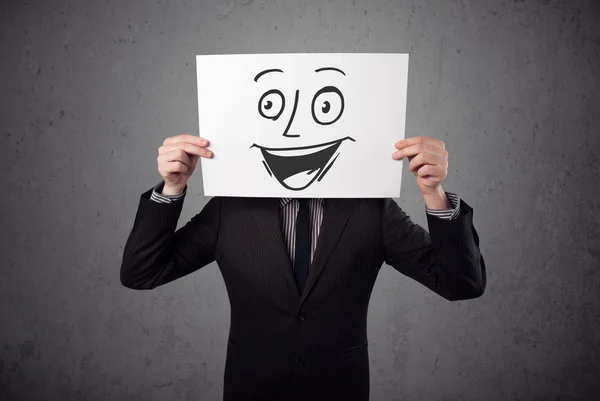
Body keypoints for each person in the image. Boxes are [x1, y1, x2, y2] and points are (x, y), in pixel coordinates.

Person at [120, 133, 486, 401]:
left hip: (340, 388)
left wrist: (433, 194)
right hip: (252, 389)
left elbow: (461, 284)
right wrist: (172, 187)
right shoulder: (230, 209)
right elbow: (142, 272)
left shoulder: (372, 209)